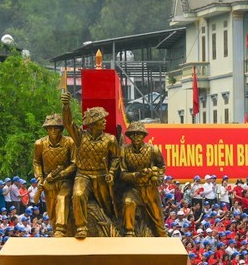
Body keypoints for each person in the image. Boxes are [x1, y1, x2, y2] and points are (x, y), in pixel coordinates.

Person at [61, 92, 119, 238]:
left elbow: (116, 158)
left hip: (101, 176)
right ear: (93, 124)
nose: (105, 121)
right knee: (78, 195)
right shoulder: (80, 136)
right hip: (83, 174)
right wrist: (66, 106)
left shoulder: (110, 139)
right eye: (101, 119)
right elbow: (68, 123)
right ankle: (81, 227)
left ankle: (111, 227)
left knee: (106, 205)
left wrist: (111, 173)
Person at [119, 121, 167, 237]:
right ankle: (129, 232)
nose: (136, 137)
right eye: (133, 134)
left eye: (139, 134)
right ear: (129, 136)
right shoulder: (124, 151)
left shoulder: (153, 150)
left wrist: (157, 177)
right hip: (134, 188)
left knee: (157, 218)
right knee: (128, 202)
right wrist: (136, 175)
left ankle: (162, 238)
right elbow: (122, 174)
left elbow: (161, 166)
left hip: (150, 189)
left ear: (144, 135)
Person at [33, 113, 76, 237]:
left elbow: (74, 163)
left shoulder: (70, 142)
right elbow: (37, 162)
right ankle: (55, 229)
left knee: (61, 198)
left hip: (65, 179)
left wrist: (61, 174)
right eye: (50, 128)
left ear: (61, 129)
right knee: (51, 211)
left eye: (56, 127)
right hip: (48, 180)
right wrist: (40, 178)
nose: (53, 130)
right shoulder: (39, 144)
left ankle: (61, 230)